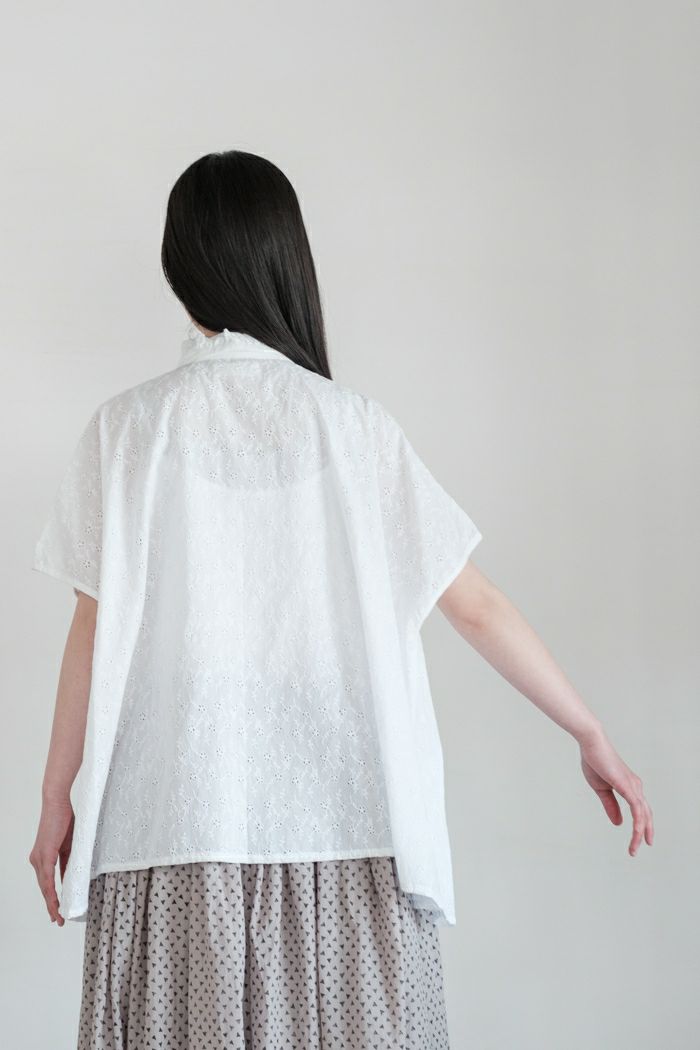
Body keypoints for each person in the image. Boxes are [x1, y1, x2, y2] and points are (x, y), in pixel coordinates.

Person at [28, 150, 653, 1050]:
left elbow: (92, 626)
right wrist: (589, 732)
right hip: (348, 833)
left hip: (169, 827)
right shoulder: (355, 429)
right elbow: (473, 603)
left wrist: (57, 797)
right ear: (287, 262)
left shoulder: (126, 432)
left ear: (180, 268)